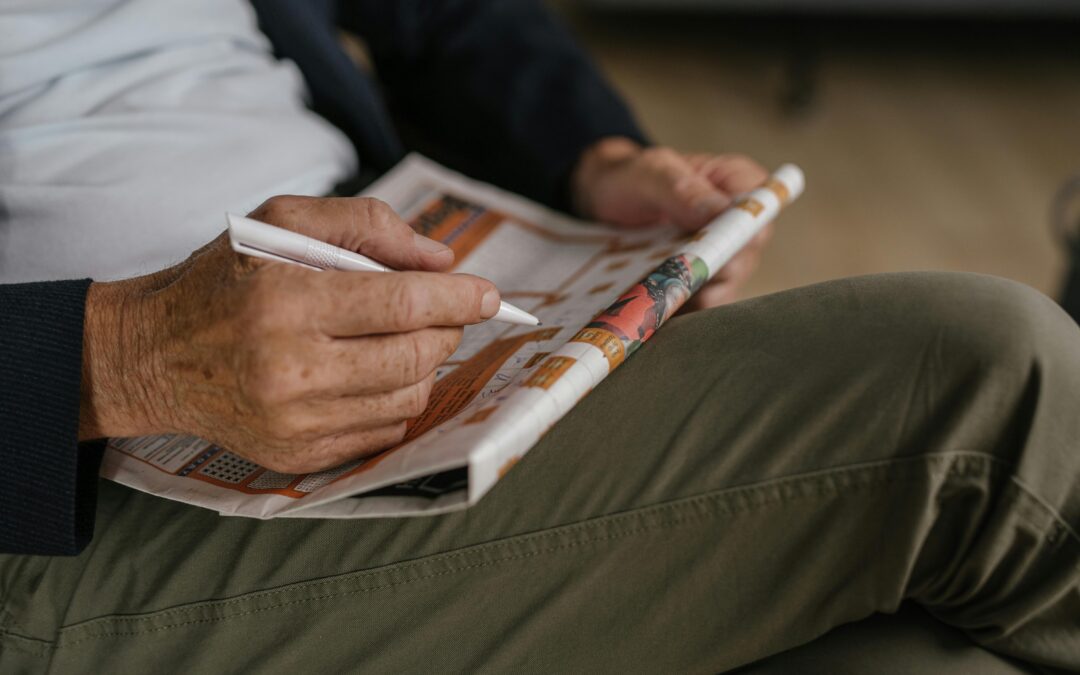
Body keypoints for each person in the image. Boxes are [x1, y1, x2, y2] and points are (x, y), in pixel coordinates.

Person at [0, 1, 1076, 672]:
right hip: (66, 502)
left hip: (392, 277)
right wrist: (120, 360)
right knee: (983, 382)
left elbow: (452, 15)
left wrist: (590, 157)